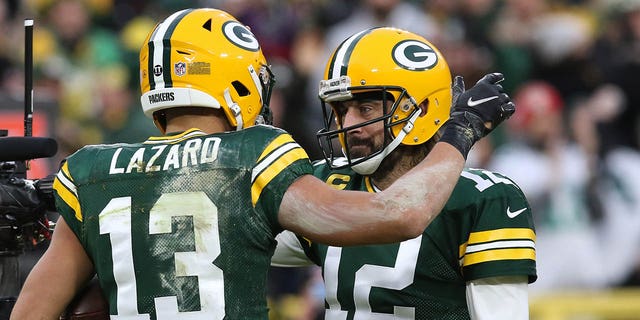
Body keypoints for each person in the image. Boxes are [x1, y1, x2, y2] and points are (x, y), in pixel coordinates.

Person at [9, 9, 513, 320]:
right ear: (238, 82)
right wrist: (459, 133)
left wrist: (45, 199)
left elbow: (30, 314)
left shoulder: (89, 170)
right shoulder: (254, 156)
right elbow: (400, 215)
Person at [272, 27, 535, 319]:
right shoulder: (328, 182)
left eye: (366, 108)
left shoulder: (482, 199)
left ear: (421, 109)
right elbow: (236, 238)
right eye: (340, 110)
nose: (348, 124)